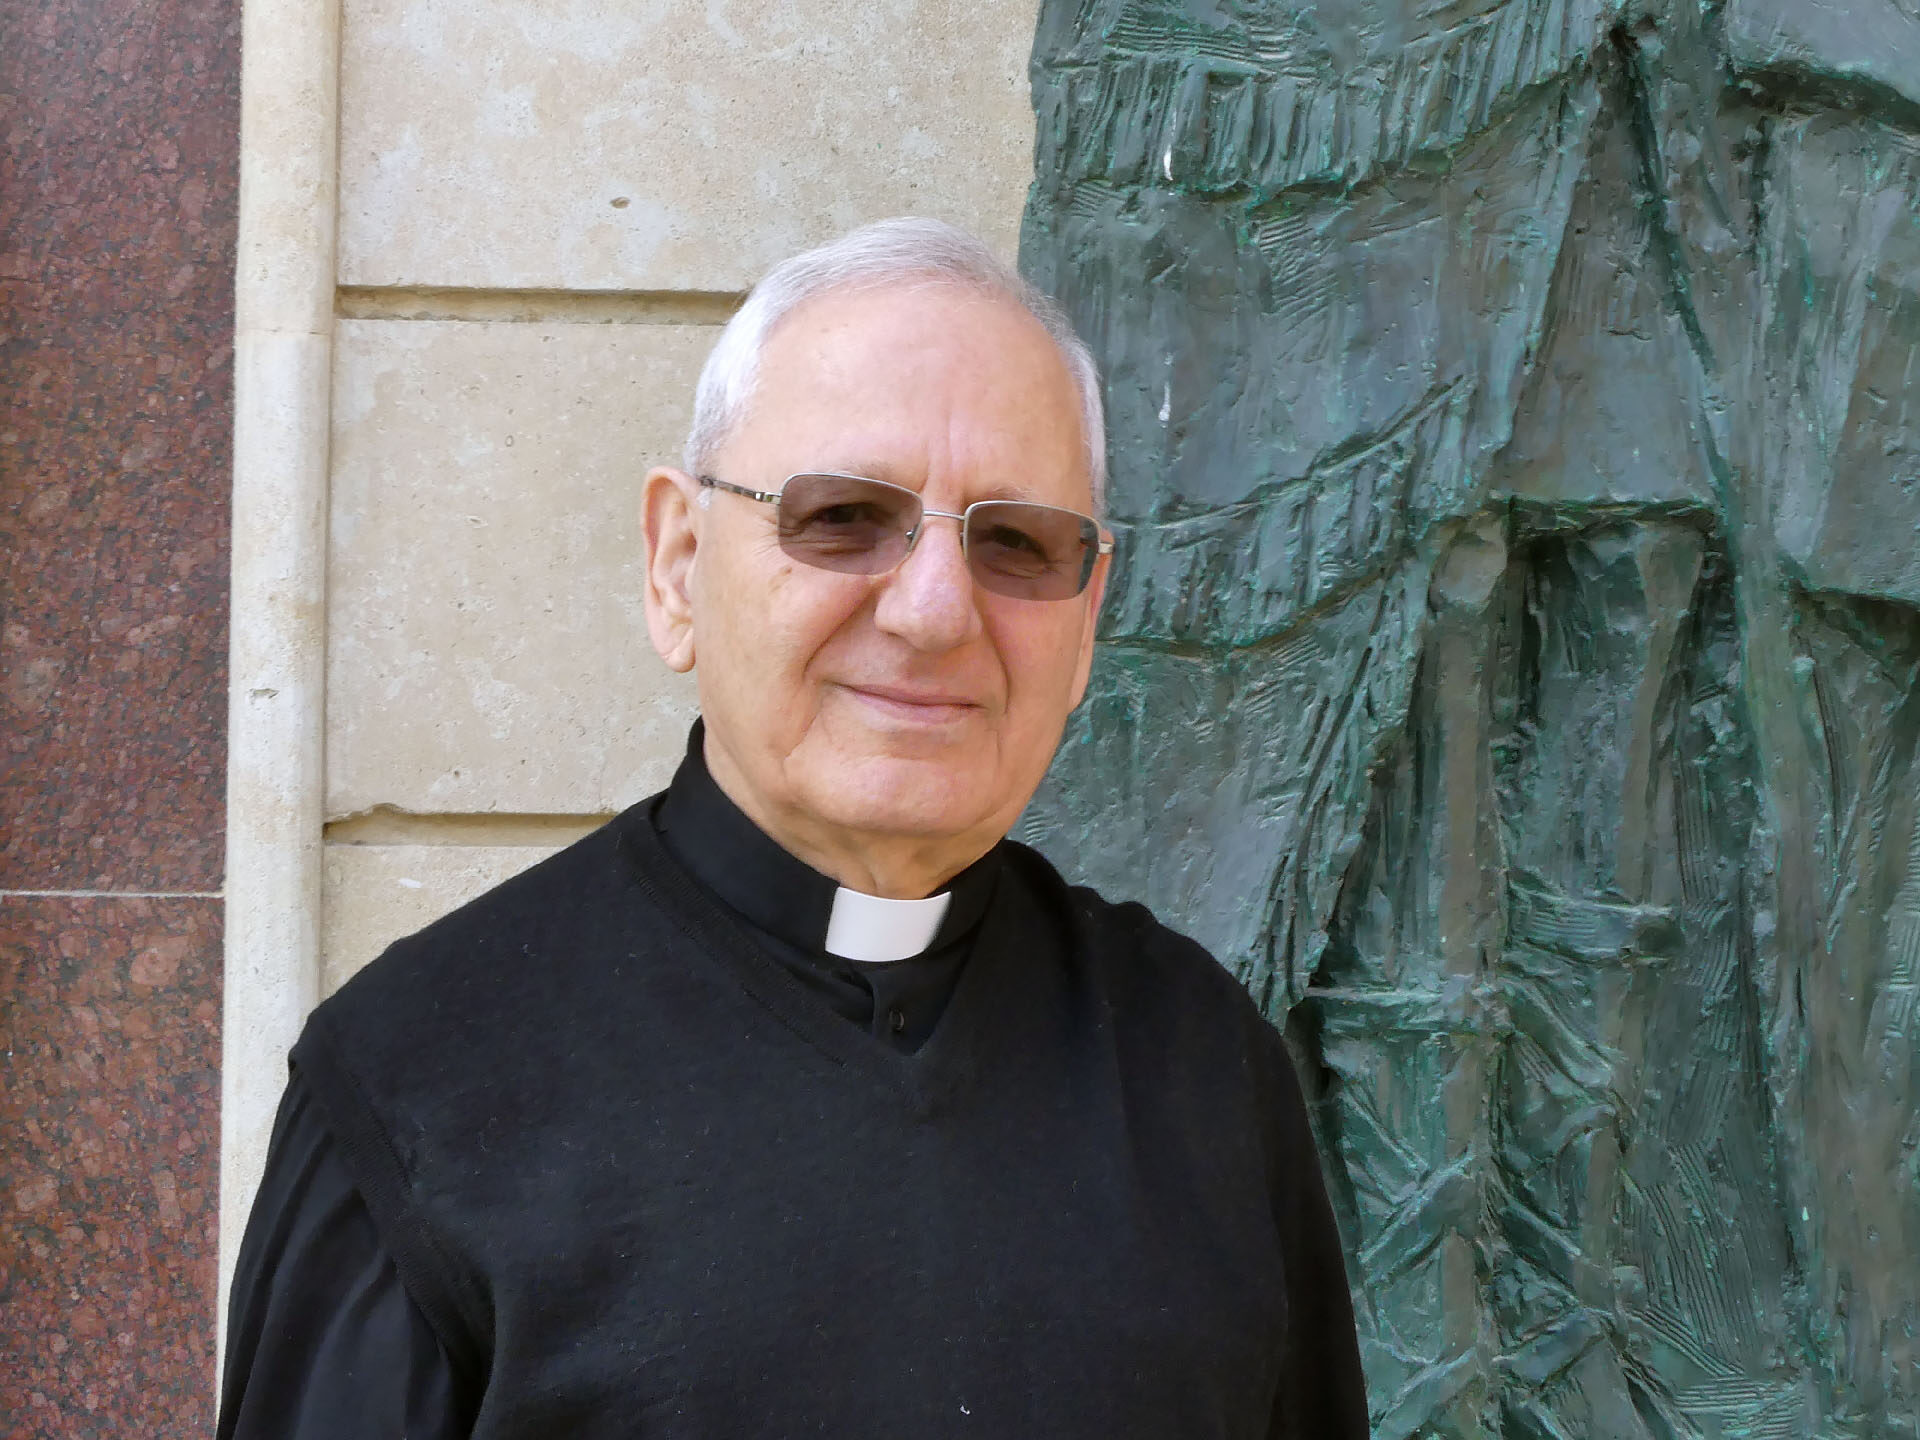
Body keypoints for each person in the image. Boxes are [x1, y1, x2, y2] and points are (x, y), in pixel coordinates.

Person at [216, 217, 1369, 1439]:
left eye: (1017, 545)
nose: (933, 611)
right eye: (842, 519)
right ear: (676, 565)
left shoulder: (1199, 1066)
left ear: (1087, 626)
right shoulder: (419, 1081)